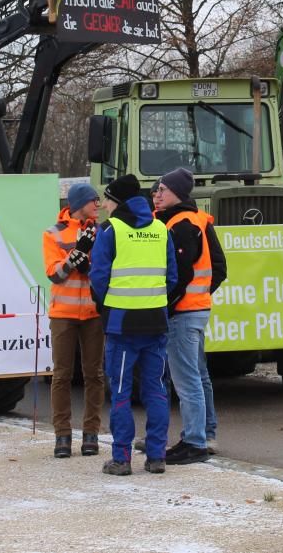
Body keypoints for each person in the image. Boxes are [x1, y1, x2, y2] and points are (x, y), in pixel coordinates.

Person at [89, 174, 178, 476]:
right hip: (155, 322)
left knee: (121, 393)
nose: (104, 205)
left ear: (118, 201)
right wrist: (153, 300)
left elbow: (98, 277)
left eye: (107, 200)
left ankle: (122, 459)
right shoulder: (161, 228)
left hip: (122, 324)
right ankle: (156, 457)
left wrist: (108, 306)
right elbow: (172, 277)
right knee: (156, 391)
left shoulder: (110, 230)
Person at [152, 168, 227, 464]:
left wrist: (168, 306)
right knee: (198, 375)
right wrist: (201, 296)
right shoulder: (194, 220)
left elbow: (180, 275)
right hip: (194, 309)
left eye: (162, 189)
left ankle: (194, 441)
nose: (157, 194)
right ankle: (204, 434)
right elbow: (217, 268)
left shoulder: (181, 224)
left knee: (187, 380)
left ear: (178, 193)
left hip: (183, 313)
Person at [42, 182, 105, 459]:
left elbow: (103, 270)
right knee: (62, 375)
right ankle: (62, 435)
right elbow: (55, 274)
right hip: (63, 314)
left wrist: (88, 263)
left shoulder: (101, 232)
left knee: (95, 375)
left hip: (93, 313)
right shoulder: (53, 233)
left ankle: (91, 434)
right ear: (79, 203)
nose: (98, 205)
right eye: (94, 200)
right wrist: (74, 256)